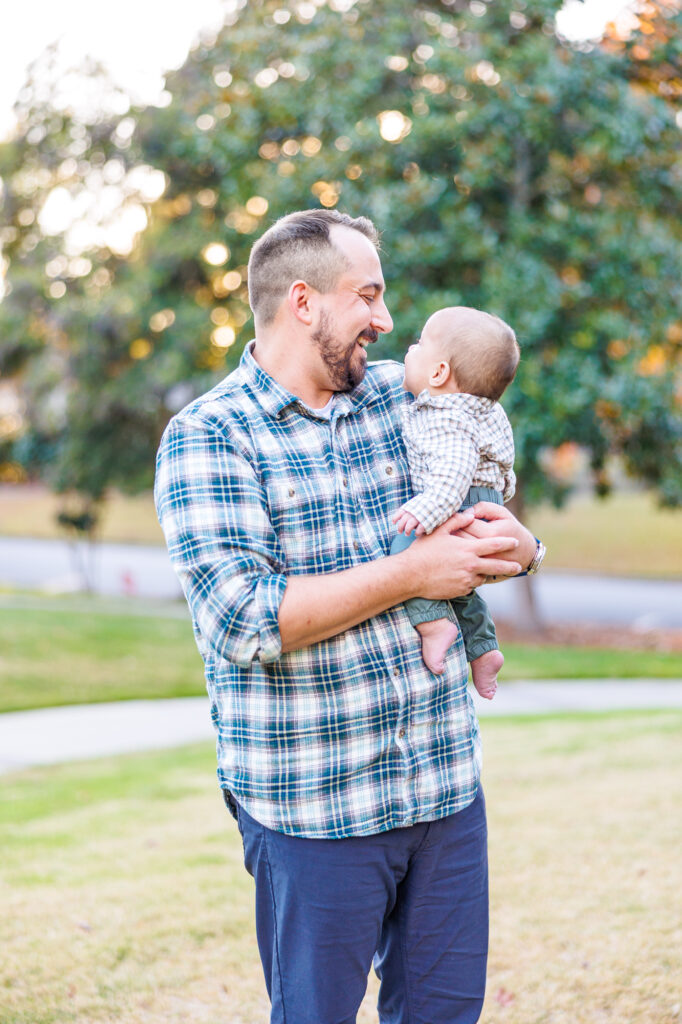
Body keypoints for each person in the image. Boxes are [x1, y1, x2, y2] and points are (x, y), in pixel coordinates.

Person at [154, 208, 544, 1024]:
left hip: (442, 793)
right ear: (304, 302)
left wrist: (523, 545)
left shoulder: (403, 396)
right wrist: (413, 572)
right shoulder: (211, 437)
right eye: (368, 295)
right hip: (314, 814)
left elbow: (480, 480)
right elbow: (245, 620)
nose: (387, 319)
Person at [390, 306, 520, 699]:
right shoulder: (485, 410)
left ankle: (434, 625)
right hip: (482, 499)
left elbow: (455, 470)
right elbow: (504, 463)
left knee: (404, 557)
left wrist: (425, 509)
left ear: (439, 374)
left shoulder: (445, 415)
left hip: (455, 498)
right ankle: (482, 648)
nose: (409, 351)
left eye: (419, 344)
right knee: (460, 585)